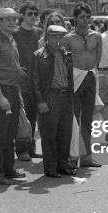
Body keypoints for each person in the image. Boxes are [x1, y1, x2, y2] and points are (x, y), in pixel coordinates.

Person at [0, 8, 26, 185]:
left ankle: (9, 169)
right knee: (0, 134)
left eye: (14, 19)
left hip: (14, 89)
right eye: (7, 19)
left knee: (11, 133)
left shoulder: (11, 40)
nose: (12, 22)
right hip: (2, 90)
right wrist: (1, 97)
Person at [31, 25, 76, 177]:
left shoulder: (66, 54)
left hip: (66, 96)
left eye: (61, 37)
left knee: (65, 133)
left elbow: (70, 79)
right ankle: (50, 167)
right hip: (50, 96)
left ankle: (63, 164)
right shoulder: (39, 55)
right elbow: (35, 80)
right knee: (49, 134)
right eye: (54, 37)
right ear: (47, 37)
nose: (58, 40)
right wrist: (40, 101)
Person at [62, 3, 103, 168]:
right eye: (81, 17)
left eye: (87, 17)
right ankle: (72, 157)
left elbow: (98, 58)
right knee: (73, 119)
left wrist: (91, 73)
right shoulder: (68, 38)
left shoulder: (97, 36)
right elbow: (63, 62)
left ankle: (86, 157)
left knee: (88, 119)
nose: (85, 20)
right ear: (75, 19)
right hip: (74, 78)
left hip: (91, 77)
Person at [12, 1, 44, 161]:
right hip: (21, 78)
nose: (33, 17)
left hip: (38, 77)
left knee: (33, 114)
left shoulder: (39, 33)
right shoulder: (15, 33)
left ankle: (31, 147)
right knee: (22, 115)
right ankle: (21, 149)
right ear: (22, 15)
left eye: (35, 14)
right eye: (29, 13)